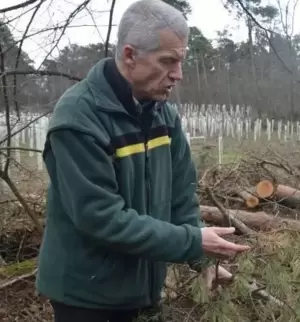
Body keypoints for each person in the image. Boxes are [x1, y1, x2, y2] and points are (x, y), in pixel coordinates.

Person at [35, 1, 251, 321]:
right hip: (87, 298)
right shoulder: (79, 119)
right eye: (167, 61)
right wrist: (192, 242)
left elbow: (181, 196)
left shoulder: (162, 113)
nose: (177, 75)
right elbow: (101, 218)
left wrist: (204, 260)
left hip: (142, 291)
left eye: (181, 61)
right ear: (130, 55)